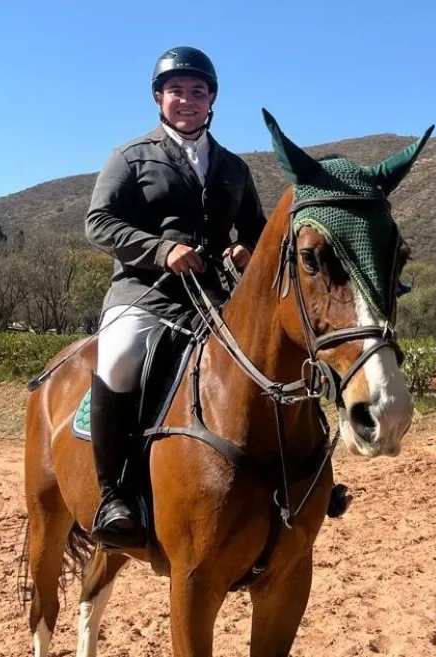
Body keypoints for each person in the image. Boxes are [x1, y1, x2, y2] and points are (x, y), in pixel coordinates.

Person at [84, 46, 267, 546]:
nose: (187, 100)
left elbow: (256, 228)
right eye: (177, 92)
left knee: (273, 356)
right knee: (119, 358)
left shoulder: (233, 167)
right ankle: (114, 493)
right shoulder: (130, 157)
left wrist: (245, 249)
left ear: (212, 100)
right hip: (145, 292)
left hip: (212, 297)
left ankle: (304, 479)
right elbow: (97, 223)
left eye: (197, 91)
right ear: (158, 98)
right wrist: (161, 250)